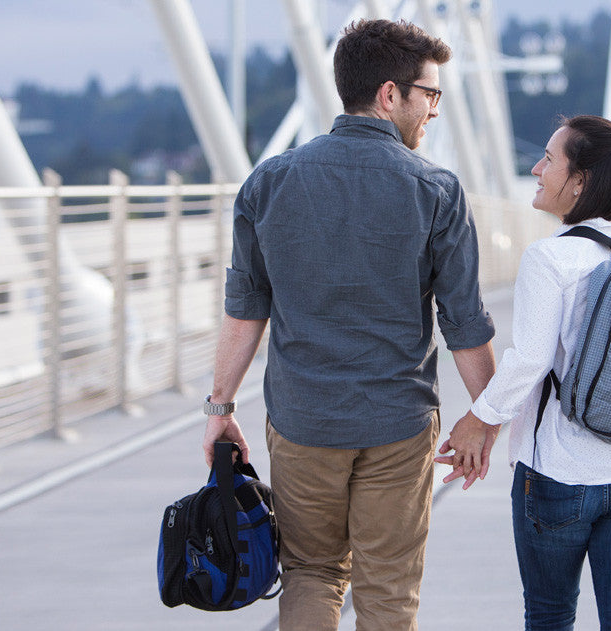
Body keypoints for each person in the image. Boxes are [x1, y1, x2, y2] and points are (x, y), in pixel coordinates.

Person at [201, 19, 496, 631]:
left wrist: (219, 407)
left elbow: (245, 306)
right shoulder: (436, 189)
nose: (435, 111)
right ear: (391, 94)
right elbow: (464, 321)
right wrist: (484, 418)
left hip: (303, 420)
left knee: (311, 571)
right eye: (430, 95)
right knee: (388, 587)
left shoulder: (269, 182)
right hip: (398, 422)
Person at [437, 115, 611, 630]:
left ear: (580, 182)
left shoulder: (550, 258)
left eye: (549, 160)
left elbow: (530, 360)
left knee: (549, 616)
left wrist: (478, 421)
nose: (535, 168)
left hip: (560, 477)